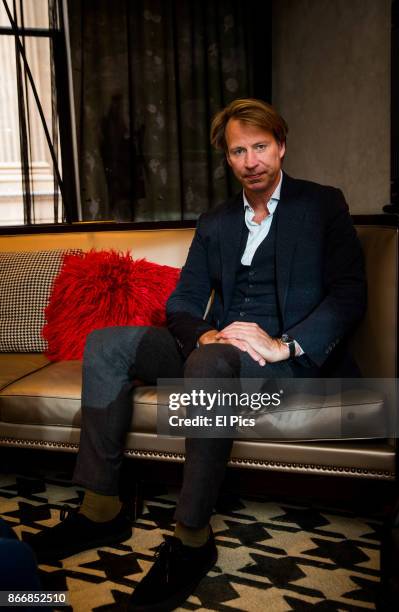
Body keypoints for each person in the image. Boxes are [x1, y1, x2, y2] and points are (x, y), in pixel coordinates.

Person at [26, 99, 366, 611]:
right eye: (238, 151)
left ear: (281, 147)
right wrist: (205, 333)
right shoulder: (217, 221)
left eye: (260, 147)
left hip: (284, 359)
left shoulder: (323, 205)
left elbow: (348, 295)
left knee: (209, 366)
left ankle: (191, 539)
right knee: (107, 343)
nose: (251, 160)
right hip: (219, 350)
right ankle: (101, 508)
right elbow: (183, 301)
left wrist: (283, 345)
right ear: (226, 159)